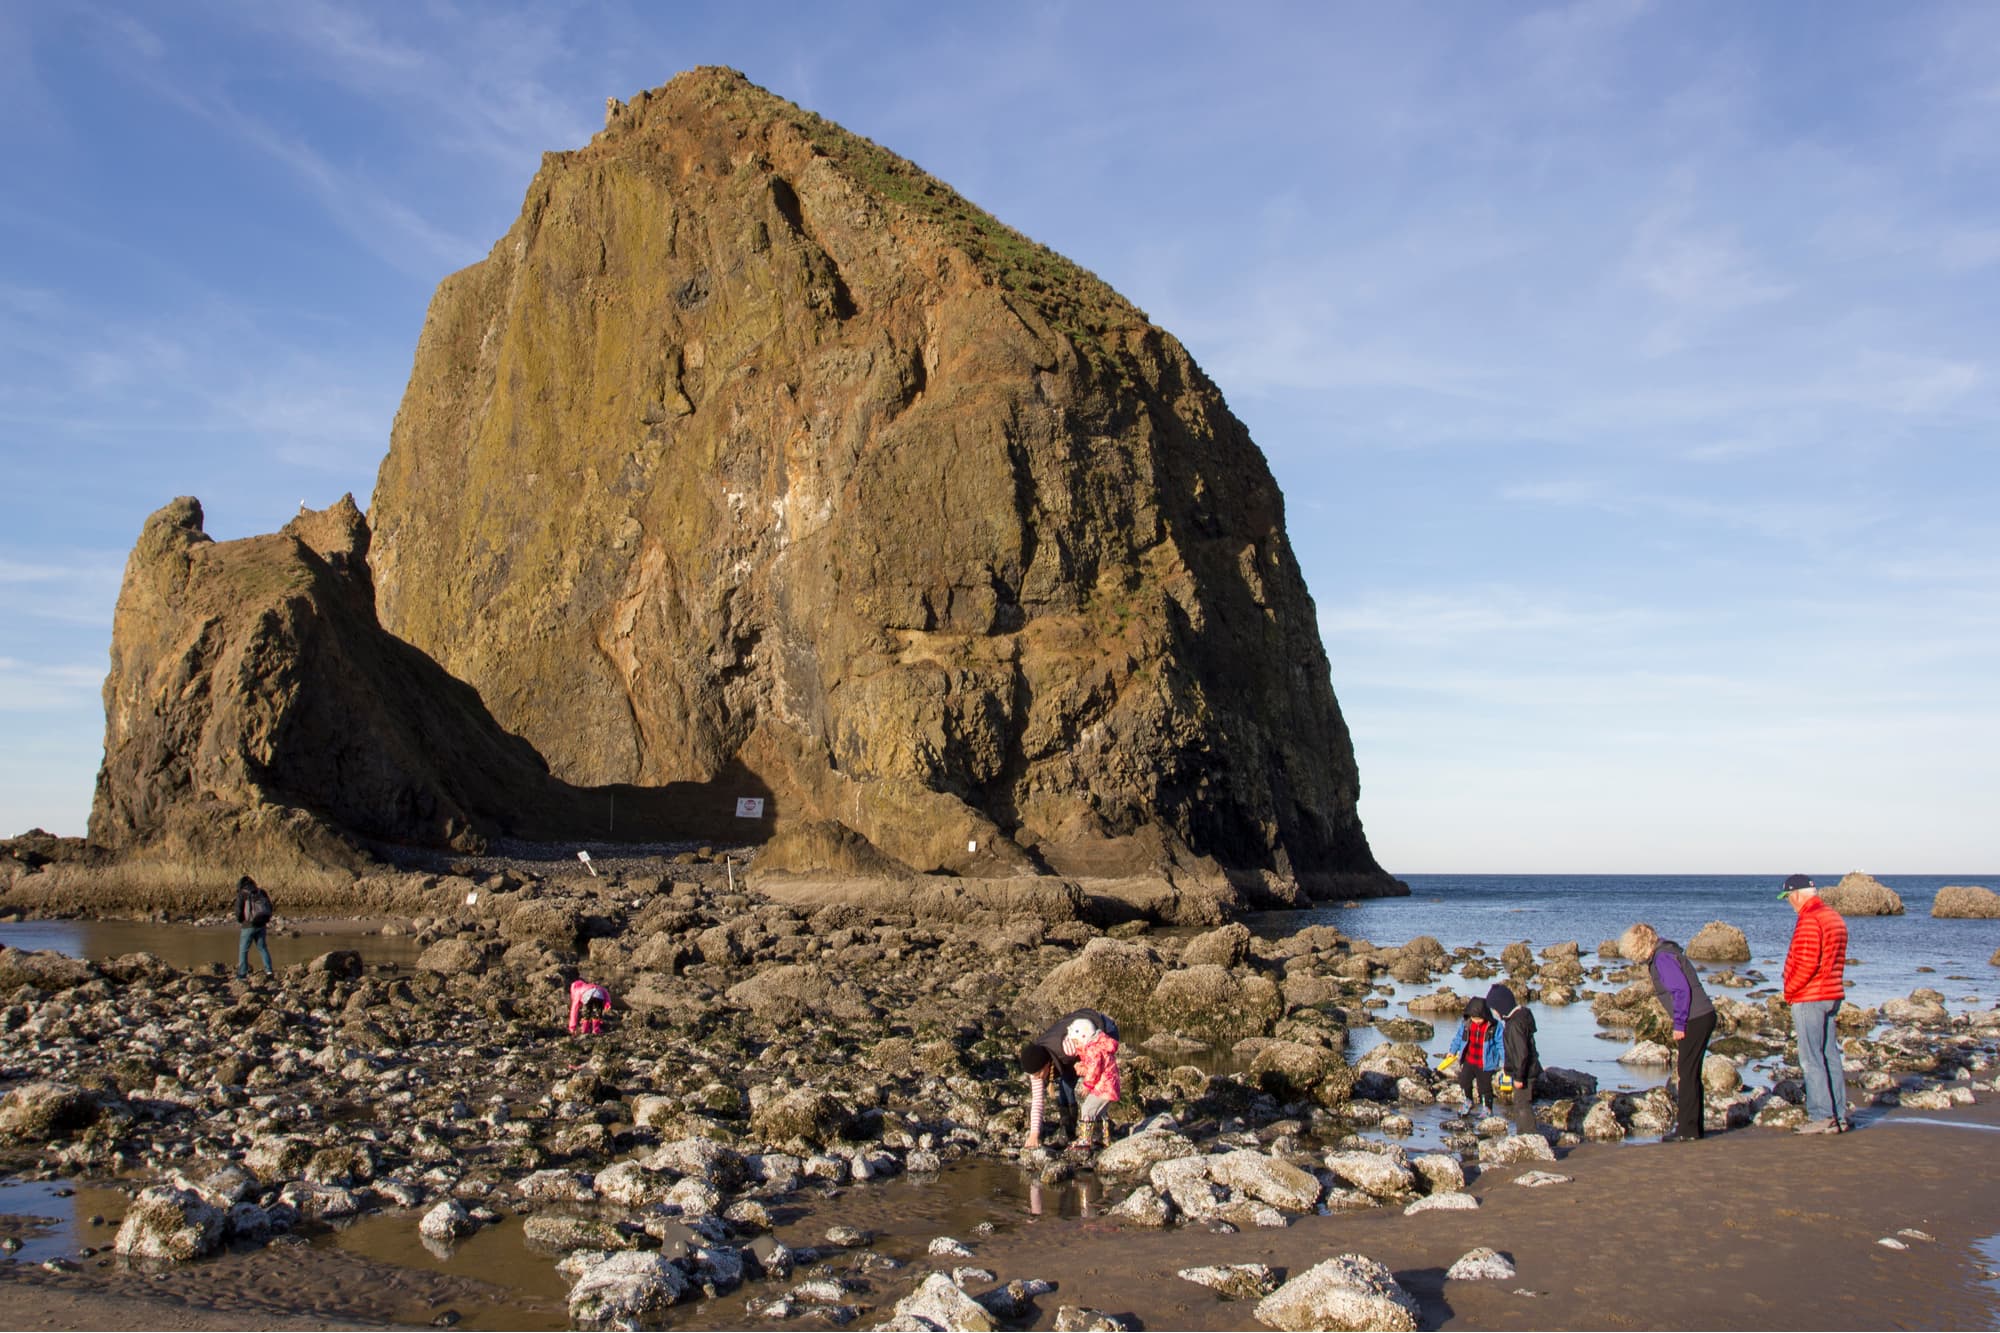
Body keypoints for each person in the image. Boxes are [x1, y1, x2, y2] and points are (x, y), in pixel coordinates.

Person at [1619, 922, 1716, 1142]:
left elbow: (1681, 991)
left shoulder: (1663, 958)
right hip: (1702, 1016)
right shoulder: (1666, 953)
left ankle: (1687, 1131)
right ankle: (1694, 1128)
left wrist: (1679, 1024)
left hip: (1695, 1019)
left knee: (1686, 1074)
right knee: (1691, 1073)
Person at [1780, 874, 1851, 1133]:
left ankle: (1822, 1116)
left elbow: (1808, 962)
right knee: (1829, 1055)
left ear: (1797, 895)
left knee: (1811, 1058)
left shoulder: (1810, 919)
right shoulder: (1832, 916)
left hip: (1811, 996)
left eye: (1789, 896)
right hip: (1830, 992)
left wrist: (1790, 989)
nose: (1789, 902)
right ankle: (1838, 1115)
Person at [1019, 1008, 1119, 1150]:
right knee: (1066, 1085)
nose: (1037, 1078)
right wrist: (1034, 1134)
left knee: (1097, 1084)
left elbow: (1094, 1060)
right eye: (1034, 1075)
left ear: (1046, 1065)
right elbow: (1037, 1100)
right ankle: (1068, 1132)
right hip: (1080, 1036)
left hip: (1103, 1029)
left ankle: (1094, 1134)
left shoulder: (1067, 1048)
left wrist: (1086, 1077)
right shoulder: (1036, 1061)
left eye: (1038, 1074)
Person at [1486, 984, 1541, 1132]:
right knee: (1523, 1102)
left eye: (1494, 1009)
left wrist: (1518, 1077)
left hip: (1525, 1072)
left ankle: (1528, 1135)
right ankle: (1526, 1133)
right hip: (1529, 1068)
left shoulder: (1514, 1025)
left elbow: (1521, 1053)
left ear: (1502, 1006)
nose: (1494, 1013)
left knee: (1521, 1103)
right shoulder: (1521, 1016)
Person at [1440, 996, 1503, 1118]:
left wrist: (1506, 1062)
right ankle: (1468, 1101)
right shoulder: (1466, 1024)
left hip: (1486, 1062)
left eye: (1478, 1018)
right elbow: (1458, 1038)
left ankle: (1487, 1108)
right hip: (1469, 1059)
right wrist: (1452, 1051)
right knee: (1464, 1080)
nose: (1476, 1021)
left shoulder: (1495, 1026)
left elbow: (1501, 1044)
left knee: (1484, 1087)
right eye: (1474, 1018)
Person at [1069, 1017, 1122, 1155]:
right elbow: (1096, 1066)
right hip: (1109, 1085)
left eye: (1076, 1042)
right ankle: (1104, 1137)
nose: (1076, 1046)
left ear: (1083, 1037)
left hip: (1103, 1087)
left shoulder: (1093, 1049)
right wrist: (1082, 1066)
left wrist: (1087, 1085)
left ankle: (1085, 1140)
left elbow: (1094, 1069)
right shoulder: (1098, 1046)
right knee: (1101, 1112)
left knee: (1088, 1108)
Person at [233, 875, 275, 979]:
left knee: (243, 950)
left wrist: (241, 921)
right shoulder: (261, 892)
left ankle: (242, 973)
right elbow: (270, 906)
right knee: (262, 948)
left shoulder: (242, 894)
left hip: (248, 926)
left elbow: (238, 911)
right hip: (261, 923)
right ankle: (269, 971)